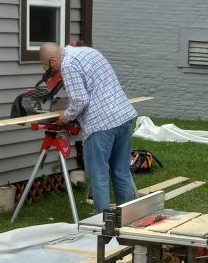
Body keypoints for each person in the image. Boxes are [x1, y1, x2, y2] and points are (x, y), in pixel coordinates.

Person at [39, 42, 137, 214]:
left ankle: (103, 225)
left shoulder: (68, 64)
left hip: (100, 124)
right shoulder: (89, 52)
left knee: (99, 176)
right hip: (123, 116)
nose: (53, 70)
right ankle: (127, 220)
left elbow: (80, 100)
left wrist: (66, 116)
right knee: (121, 171)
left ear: (53, 61)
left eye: (50, 67)